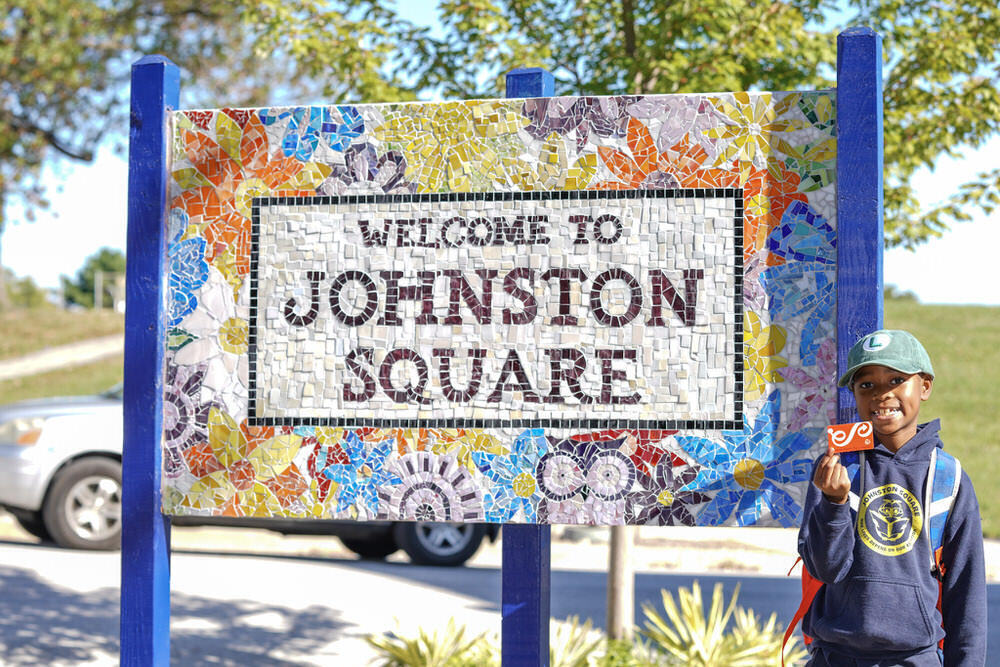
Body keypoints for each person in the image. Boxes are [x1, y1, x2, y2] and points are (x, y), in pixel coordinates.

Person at [797, 329, 987, 666]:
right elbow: (826, 568)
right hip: (835, 657)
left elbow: (966, 595)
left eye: (896, 380)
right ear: (854, 394)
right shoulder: (835, 468)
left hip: (915, 658)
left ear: (925, 386)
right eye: (866, 385)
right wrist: (834, 503)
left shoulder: (948, 476)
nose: (882, 395)